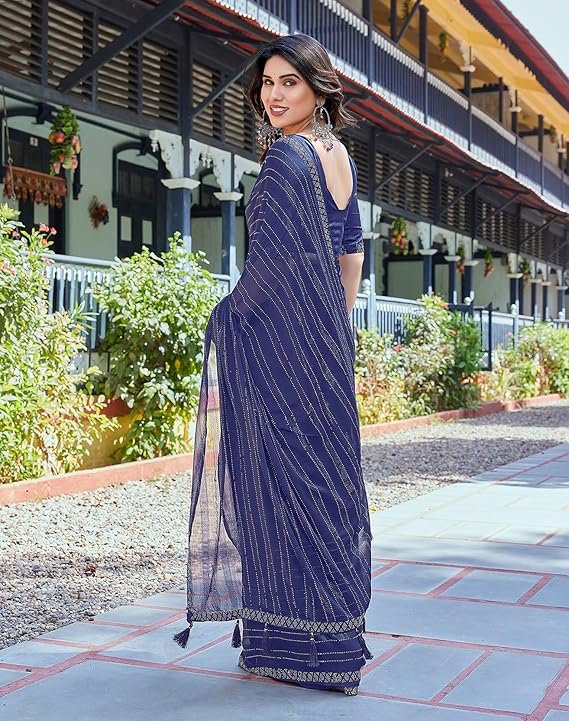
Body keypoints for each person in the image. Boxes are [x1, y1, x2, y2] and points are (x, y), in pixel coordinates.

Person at [173, 33, 372, 696]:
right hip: (324, 349)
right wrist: (331, 329)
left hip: (282, 351)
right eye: (267, 83)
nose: (274, 95)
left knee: (274, 488)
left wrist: (228, 314)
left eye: (290, 82)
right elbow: (350, 256)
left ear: (319, 88)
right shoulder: (337, 155)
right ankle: (326, 647)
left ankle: (294, 650)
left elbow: (269, 266)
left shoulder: (289, 156)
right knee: (321, 489)